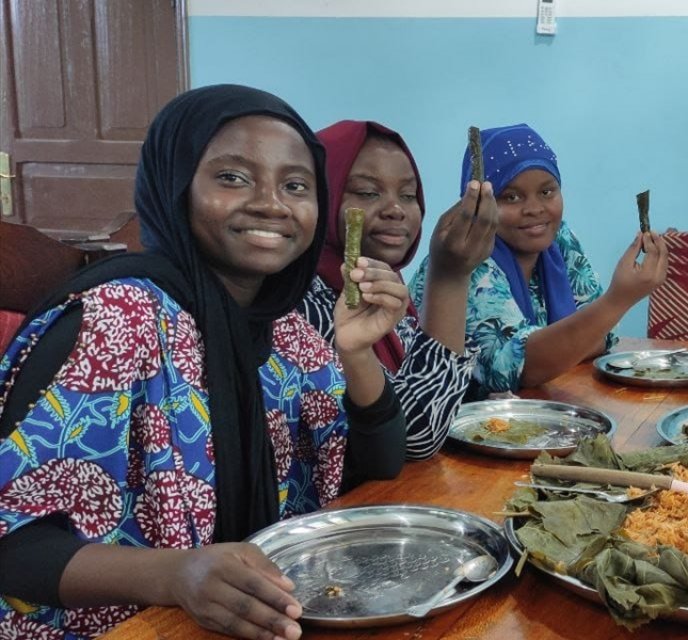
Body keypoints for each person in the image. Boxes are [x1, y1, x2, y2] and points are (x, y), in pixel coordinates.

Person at [0, 85, 410, 640]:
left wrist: (357, 354)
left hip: (261, 617)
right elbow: (14, 543)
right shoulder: (115, 320)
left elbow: (376, 467)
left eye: (295, 185)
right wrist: (175, 574)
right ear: (175, 187)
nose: (271, 202)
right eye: (232, 177)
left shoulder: (289, 331)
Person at [409, 123, 670, 397]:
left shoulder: (559, 240)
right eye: (511, 196)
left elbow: (603, 334)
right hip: (452, 430)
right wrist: (618, 300)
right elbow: (517, 370)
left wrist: (572, 338)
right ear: (479, 203)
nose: (534, 209)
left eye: (547, 192)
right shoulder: (465, 258)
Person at [301, 120, 498, 459]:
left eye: (408, 195)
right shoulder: (306, 304)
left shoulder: (383, 286)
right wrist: (449, 276)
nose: (395, 209)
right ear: (321, 195)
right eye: (367, 192)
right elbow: (415, 434)